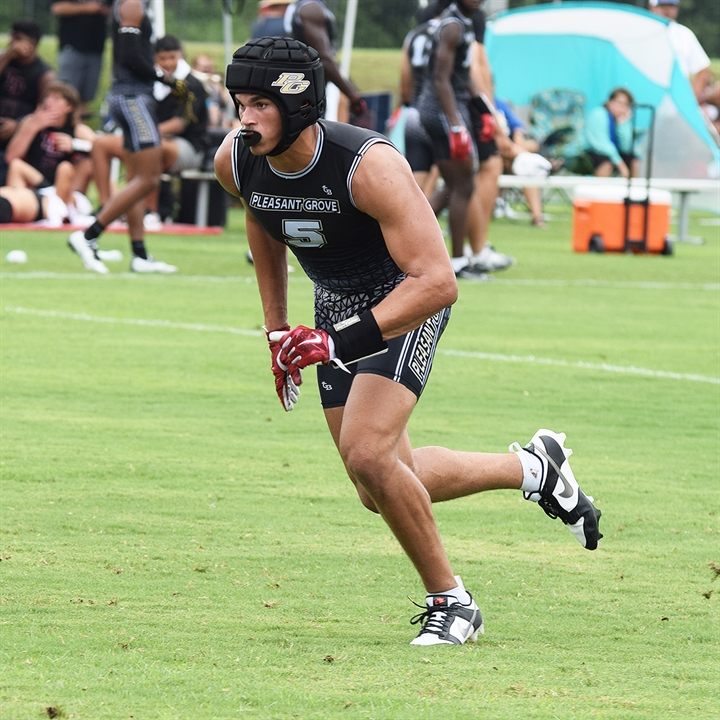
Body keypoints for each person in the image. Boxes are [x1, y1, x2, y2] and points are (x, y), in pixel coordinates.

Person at [214, 36, 603, 646]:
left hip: (404, 299)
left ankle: (454, 603)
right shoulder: (236, 160)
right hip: (334, 307)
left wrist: (337, 339)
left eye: (260, 104)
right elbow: (262, 223)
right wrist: (277, 328)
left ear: (297, 105)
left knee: (368, 454)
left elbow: (439, 282)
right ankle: (532, 468)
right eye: (240, 102)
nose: (245, 119)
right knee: (381, 484)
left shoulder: (367, 165)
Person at [67, 0, 182, 274]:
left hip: (131, 98)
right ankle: (88, 235)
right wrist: (164, 78)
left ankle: (139, 255)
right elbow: (129, 54)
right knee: (149, 177)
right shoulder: (131, 4)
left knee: (137, 179)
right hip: (133, 98)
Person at [415, 0, 501, 280]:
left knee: (458, 184)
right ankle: (458, 260)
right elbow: (441, 78)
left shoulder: (463, 22)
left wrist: (483, 108)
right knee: (463, 184)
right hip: (441, 109)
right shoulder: (452, 26)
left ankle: (409, 234)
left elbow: (462, 75)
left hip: (451, 108)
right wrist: (455, 125)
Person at [4, 81, 95, 209]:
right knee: (16, 166)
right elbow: (10, 157)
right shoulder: (31, 121)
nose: (49, 102)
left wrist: (74, 145)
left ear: (69, 107)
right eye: (48, 97)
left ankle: (108, 207)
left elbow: (100, 150)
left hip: (66, 187)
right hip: (37, 182)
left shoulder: (78, 130)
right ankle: (11, 205)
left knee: (71, 166)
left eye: (56, 99)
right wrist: (33, 128)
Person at [284, 0, 367, 118]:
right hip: (309, 90)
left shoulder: (302, 6)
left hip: (302, 86)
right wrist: (353, 96)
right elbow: (323, 57)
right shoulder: (310, 8)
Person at [0, 20, 56, 186]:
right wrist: (8, 55)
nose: (11, 42)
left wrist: (18, 125)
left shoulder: (44, 75)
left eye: (17, 38)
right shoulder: (5, 59)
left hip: (18, 131)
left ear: (32, 43)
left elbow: (42, 111)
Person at [50, 0, 113, 115]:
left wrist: (103, 10)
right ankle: (61, 127)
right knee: (65, 94)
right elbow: (58, 8)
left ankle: (79, 128)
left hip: (95, 50)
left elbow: (114, 10)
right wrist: (87, 8)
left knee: (86, 98)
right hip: (72, 47)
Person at [581, 88, 640, 179]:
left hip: (613, 153)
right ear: (609, 102)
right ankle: (599, 191)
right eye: (620, 103)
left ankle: (634, 190)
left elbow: (626, 148)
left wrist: (622, 125)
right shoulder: (598, 114)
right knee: (606, 163)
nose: (622, 108)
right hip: (589, 153)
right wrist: (620, 164)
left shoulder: (623, 120)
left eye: (626, 105)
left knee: (634, 161)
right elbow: (601, 144)